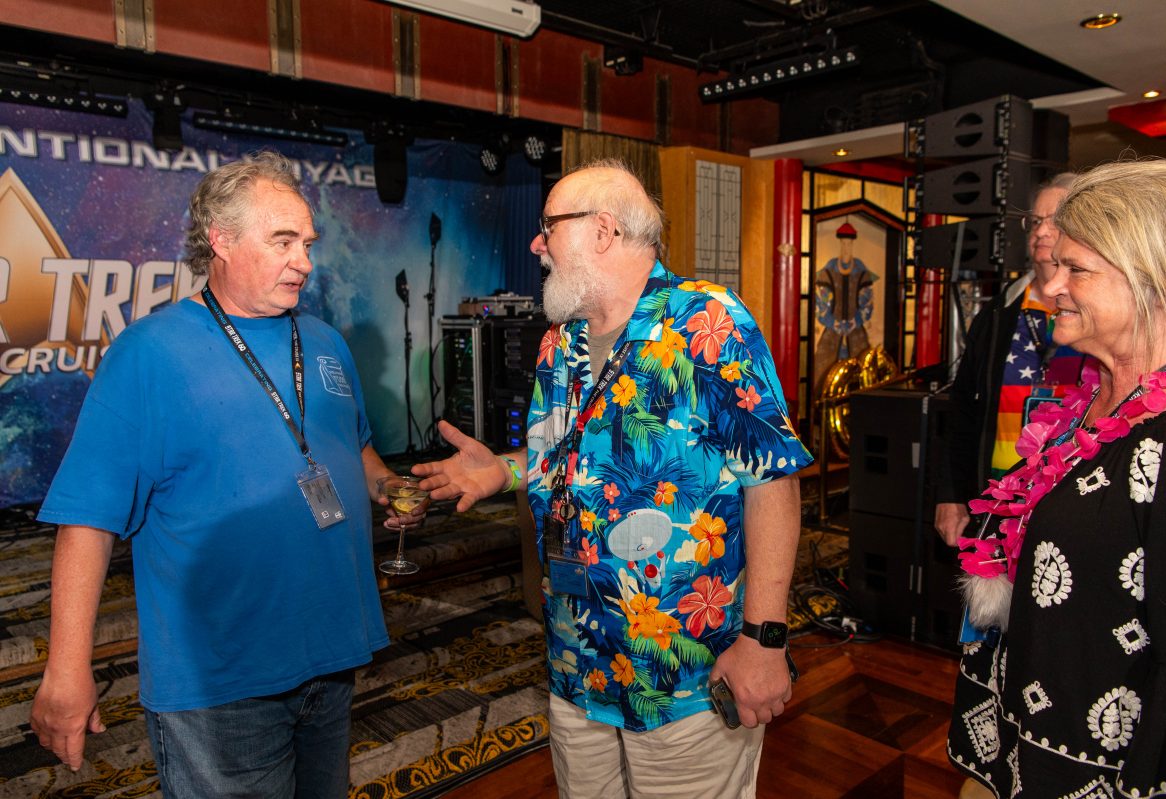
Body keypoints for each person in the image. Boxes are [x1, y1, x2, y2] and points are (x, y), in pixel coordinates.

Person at [413, 159, 812, 798]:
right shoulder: (559, 342)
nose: (536, 243)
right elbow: (563, 460)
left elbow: (773, 481)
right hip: (577, 662)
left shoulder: (706, 323)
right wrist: (503, 470)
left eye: (548, 226)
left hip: (685, 673)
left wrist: (764, 640)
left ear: (603, 230)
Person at [29, 150, 403, 798]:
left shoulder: (325, 343)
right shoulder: (148, 354)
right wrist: (66, 670)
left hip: (331, 657)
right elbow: (88, 519)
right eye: (283, 241)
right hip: (220, 685)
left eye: (307, 243)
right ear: (221, 240)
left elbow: (355, 449)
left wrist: (387, 485)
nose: (304, 261)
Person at [949, 159, 1166, 796]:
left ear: (1155, 278)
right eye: (1053, 264)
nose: (1051, 286)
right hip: (1022, 722)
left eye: (1076, 269)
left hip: (1111, 759)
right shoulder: (1089, 396)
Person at [934, 173, 1081, 546]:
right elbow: (963, 408)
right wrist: (951, 493)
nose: (1041, 231)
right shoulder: (998, 312)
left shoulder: (1100, 317)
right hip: (998, 498)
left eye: (1056, 219)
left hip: (1071, 498)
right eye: (1035, 221)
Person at [813, 220, 877, 387]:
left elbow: (867, 302)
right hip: (832, 330)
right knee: (822, 368)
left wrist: (856, 321)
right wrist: (832, 322)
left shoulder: (861, 271)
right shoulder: (829, 270)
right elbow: (821, 302)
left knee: (863, 370)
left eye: (849, 244)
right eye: (844, 244)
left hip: (856, 330)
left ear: (852, 244)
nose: (846, 248)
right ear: (840, 243)